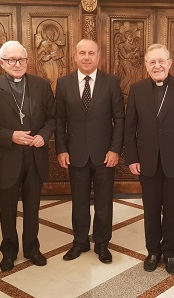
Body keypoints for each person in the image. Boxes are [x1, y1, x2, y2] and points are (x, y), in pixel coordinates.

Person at [0, 41, 55, 272]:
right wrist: (10, 135)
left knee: (32, 207)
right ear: (2, 63)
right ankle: (9, 251)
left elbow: (53, 117)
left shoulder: (42, 85)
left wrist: (44, 135)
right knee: (8, 209)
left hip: (35, 156)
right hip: (6, 158)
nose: (17, 64)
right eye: (11, 60)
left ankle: (32, 248)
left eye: (21, 59)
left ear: (28, 61)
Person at [124, 44, 174, 274]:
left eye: (161, 61)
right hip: (146, 160)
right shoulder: (137, 89)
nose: (157, 65)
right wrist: (132, 158)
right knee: (150, 208)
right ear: (146, 66)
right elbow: (130, 128)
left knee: (172, 209)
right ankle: (152, 251)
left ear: (169, 63)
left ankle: (169, 252)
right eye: (152, 62)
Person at [55, 39, 125, 264]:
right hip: (75, 154)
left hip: (105, 155)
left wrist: (115, 149)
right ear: (74, 56)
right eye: (82, 53)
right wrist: (61, 149)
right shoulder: (63, 83)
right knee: (79, 201)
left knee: (104, 202)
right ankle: (80, 242)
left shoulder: (111, 82)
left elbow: (119, 119)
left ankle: (102, 244)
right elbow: (59, 119)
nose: (86, 57)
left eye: (91, 53)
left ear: (98, 57)